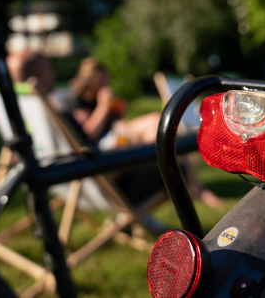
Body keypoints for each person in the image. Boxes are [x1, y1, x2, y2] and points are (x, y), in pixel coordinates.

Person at [67, 57, 224, 209]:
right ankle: (189, 182)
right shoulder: (79, 101)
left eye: (104, 81)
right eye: (100, 82)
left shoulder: (97, 96)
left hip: (115, 140)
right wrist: (104, 105)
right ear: (90, 80)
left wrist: (117, 111)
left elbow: (112, 121)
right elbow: (88, 133)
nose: (103, 85)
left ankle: (180, 174)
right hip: (104, 153)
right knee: (160, 132)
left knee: (159, 125)